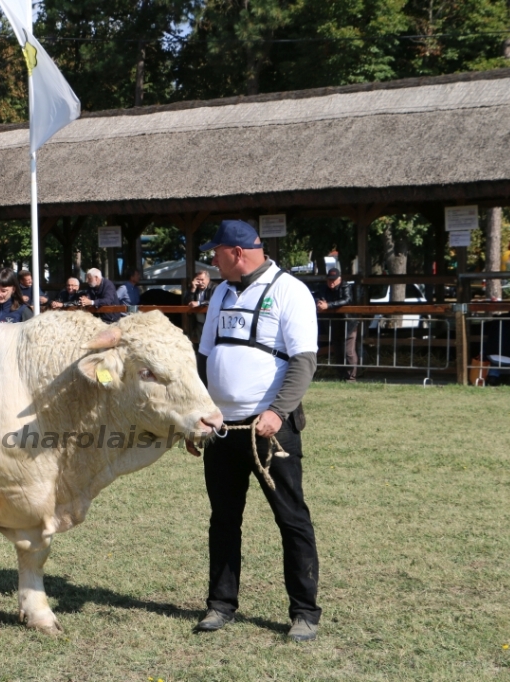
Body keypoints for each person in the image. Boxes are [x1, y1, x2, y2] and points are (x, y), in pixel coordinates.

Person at [193, 220, 322, 642]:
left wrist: (278, 413)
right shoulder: (220, 292)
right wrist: (198, 415)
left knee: (291, 520)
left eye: (216, 252)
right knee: (223, 520)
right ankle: (220, 605)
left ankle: (304, 612)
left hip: (268, 431)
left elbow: (303, 361)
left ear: (236, 251)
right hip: (223, 430)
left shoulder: (290, 291)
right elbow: (204, 356)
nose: (211, 259)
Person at [314, 267, 358, 382]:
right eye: (329, 280)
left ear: (340, 279)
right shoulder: (323, 288)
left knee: (348, 352)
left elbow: (347, 300)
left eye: (334, 280)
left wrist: (328, 305)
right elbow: (317, 296)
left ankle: (351, 377)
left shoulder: (345, 286)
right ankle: (341, 375)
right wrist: (318, 302)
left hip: (348, 324)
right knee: (338, 351)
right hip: (333, 324)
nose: (331, 282)